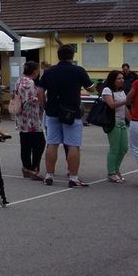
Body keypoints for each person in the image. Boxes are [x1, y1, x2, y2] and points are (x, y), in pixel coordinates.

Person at [40, 45, 94, 187]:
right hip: (72, 112)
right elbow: (91, 88)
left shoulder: (49, 71)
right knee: (73, 145)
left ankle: (49, 175)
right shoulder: (78, 71)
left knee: (52, 143)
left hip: (53, 111)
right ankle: (73, 177)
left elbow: (40, 92)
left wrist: (45, 105)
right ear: (72, 56)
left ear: (58, 55)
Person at [15, 62, 46, 180]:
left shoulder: (19, 80)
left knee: (25, 143)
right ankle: (34, 169)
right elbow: (30, 99)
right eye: (38, 70)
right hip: (31, 118)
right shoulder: (30, 82)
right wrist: (41, 97)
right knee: (40, 143)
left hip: (21, 117)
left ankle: (26, 167)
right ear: (34, 71)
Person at [100, 69, 128, 183]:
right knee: (115, 148)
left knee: (124, 148)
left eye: (122, 78)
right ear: (113, 79)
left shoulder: (122, 91)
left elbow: (125, 108)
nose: (121, 80)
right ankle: (111, 172)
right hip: (113, 122)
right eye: (119, 78)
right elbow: (111, 105)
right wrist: (127, 100)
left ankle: (116, 170)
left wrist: (132, 120)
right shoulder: (107, 90)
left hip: (122, 123)